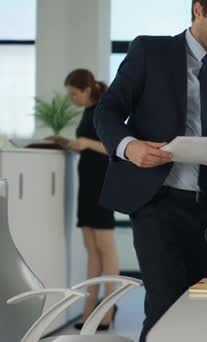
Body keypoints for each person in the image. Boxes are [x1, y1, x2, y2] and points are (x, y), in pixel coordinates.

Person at [93, 0, 207, 340]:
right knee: (166, 308)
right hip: (158, 202)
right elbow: (107, 112)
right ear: (198, 9)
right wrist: (130, 147)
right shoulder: (150, 51)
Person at [51, 69, 119, 330]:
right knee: (91, 249)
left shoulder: (103, 111)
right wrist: (67, 143)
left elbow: (112, 148)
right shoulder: (88, 112)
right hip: (88, 187)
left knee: (105, 247)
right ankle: (89, 307)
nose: (72, 99)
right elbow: (88, 144)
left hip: (102, 186)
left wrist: (86, 144)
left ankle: (109, 308)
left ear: (87, 89)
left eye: (73, 94)